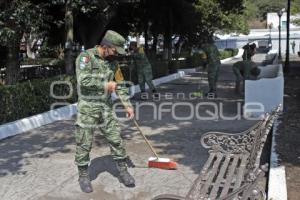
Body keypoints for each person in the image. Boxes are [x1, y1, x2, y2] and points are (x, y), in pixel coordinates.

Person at [75, 30, 135, 193]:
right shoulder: (85, 57)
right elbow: (83, 80)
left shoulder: (113, 63)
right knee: (84, 143)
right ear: (106, 46)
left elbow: (120, 84)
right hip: (87, 108)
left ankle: (123, 171)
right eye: (115, 50)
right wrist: (105, 85)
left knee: (116, 139)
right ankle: (83, 176)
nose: (117, 54)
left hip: (106, 108)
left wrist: (127, 105)